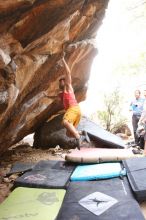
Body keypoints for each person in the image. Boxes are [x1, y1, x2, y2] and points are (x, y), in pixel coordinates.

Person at [58, 55, 90, 150]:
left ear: (65, 81)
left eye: (62, 80)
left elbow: (68, 72)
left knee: (65, 122)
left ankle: (78, 137)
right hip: (76, 112)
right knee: (68, 134)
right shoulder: (62, 94)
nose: (60, 82)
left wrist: (63, 59)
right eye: (59, 81)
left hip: (74, 109)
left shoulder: (68, 87)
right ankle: (82, 133)